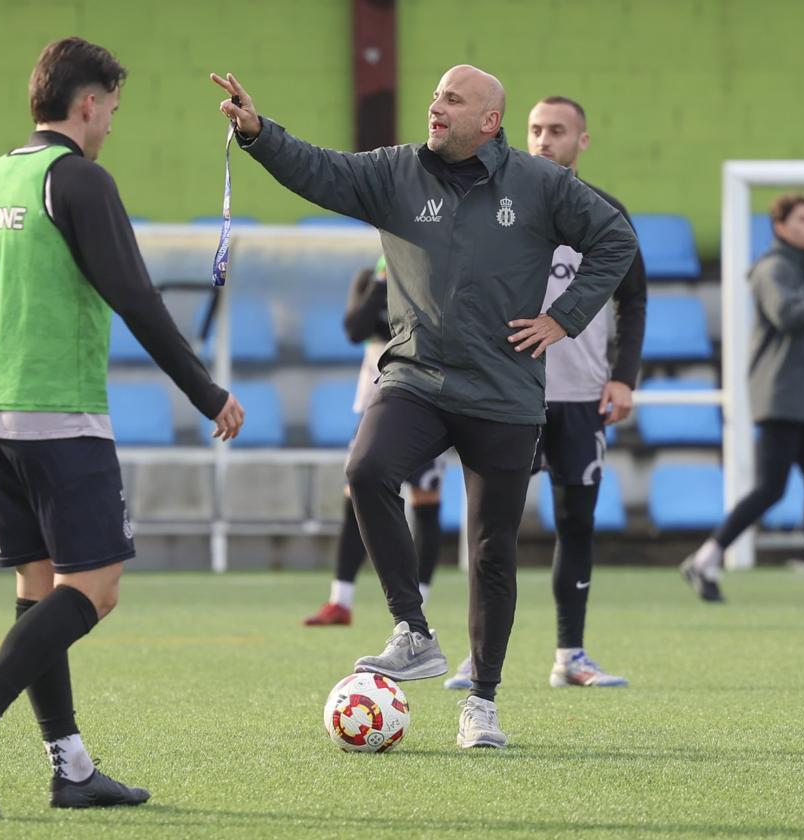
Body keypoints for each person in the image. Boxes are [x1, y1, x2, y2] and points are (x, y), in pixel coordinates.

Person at [212, 65, 637, 749]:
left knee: (492, 553)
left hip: (504, 393)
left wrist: (564, 318)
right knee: (367, 470)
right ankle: (412, 629)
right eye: (436, 95)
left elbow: (616, 240)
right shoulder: (394, 173)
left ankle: (484, 705)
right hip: (417, 377)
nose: (435, 107)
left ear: (489, 121)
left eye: (453, 99)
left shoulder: (540, 184)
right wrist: (260, 134)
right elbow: (317, 170)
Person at [0, 37, 245, 819]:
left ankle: (71, 768)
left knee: (40, 592)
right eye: (112, 112)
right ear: (87, 103)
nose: (110, 127)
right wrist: (207, 393)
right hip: (57, 417)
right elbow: (136, 298)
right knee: (95, 591)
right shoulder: (81, 182)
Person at [445, 96, 647, 690]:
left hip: (582, 397)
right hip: (510, 394)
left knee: (576, 522)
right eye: (535, 130)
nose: (543, 140)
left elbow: (632, 299)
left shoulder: (607, 213)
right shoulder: (497, 204)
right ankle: (477, 657)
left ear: (582, 140)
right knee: (493, 531)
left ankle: (571, 655)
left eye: (557, 131)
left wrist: (623, 376)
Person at [681, 193, 804, 603]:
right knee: (771, 488)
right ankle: (705, 557)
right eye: (802, 219)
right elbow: (789, 316)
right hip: (781, 396)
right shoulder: (771, 270)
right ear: (780, 227)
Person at [304, 255, 447, 627]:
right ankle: (341, 600)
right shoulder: (370, 278)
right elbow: (355, 329)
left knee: (425, 502)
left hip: (426, 405)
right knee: (357, 493)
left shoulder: (432, 274)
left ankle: (421, 602)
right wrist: (383, 281)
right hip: (376, 406)